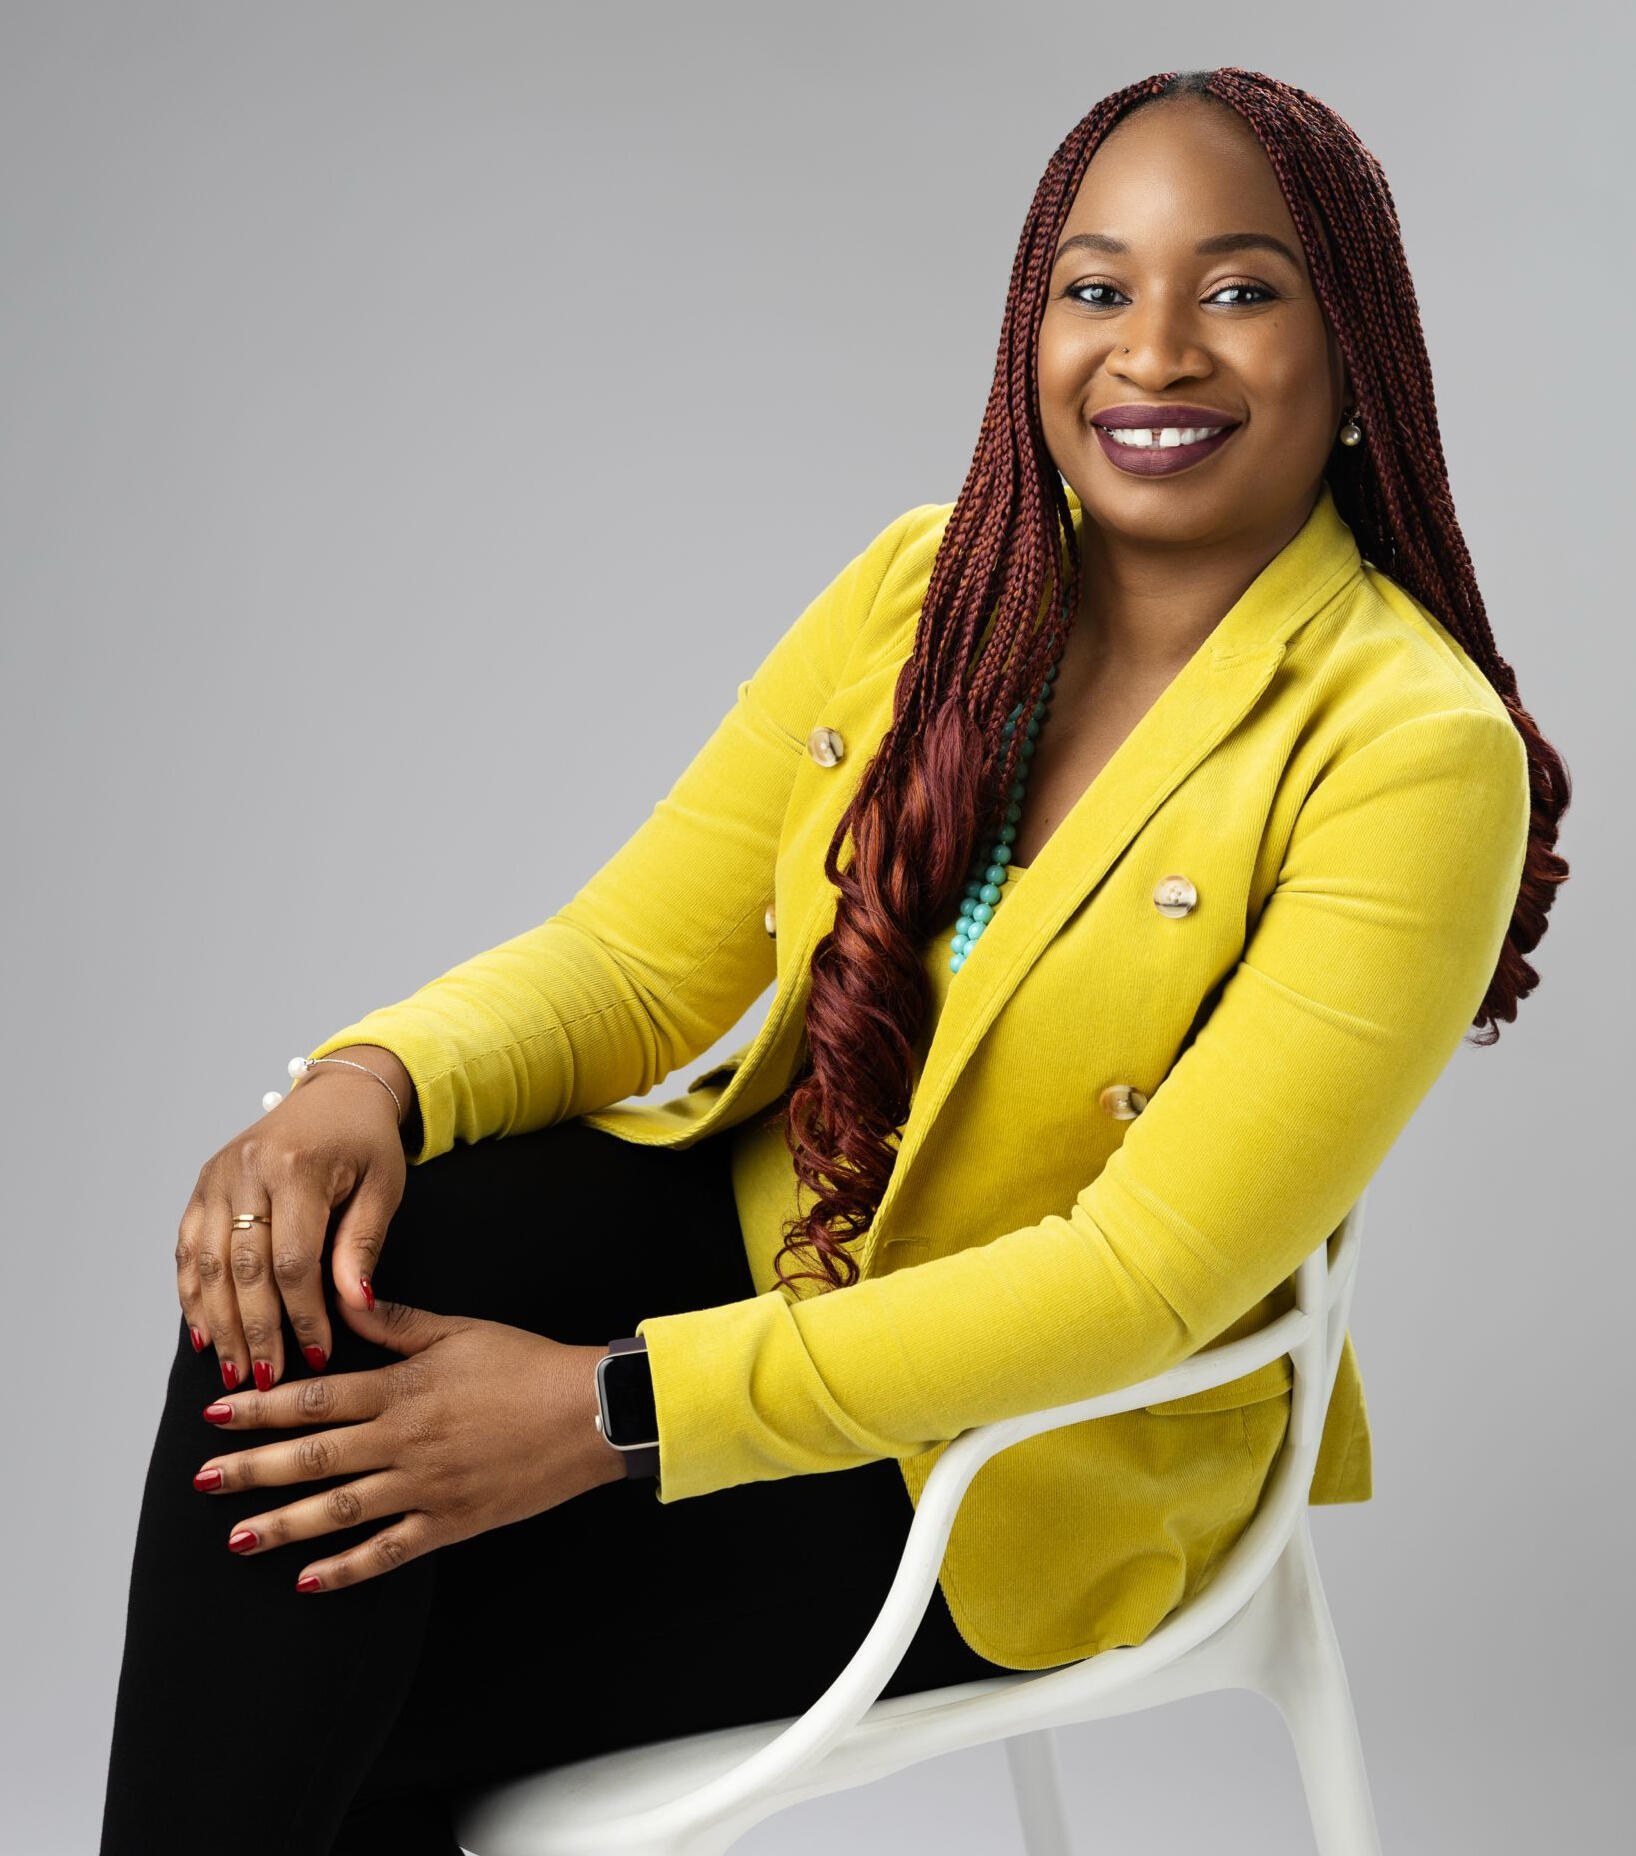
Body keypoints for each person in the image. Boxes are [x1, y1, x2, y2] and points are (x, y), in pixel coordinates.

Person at [99, 65, 1570, 1855]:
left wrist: (608, 1409)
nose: (1154, 352)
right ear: (1033, 329)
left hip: (1008, 1461)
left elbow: (1139, 1284)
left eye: (1241, 290)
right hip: (763, 1263)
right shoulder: (924, 591)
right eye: (1096, 288)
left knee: (320, 1656)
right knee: (327, 1286)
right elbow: (638, 965)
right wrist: (364, 1083)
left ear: (1356, 358)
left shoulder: (1413, 751)